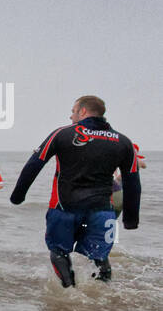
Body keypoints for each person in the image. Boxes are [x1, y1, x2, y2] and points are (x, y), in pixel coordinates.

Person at [9, 95, 140, 286]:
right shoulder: (123, 142)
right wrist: (131, 219)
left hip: (64, 209)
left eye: (73, 111)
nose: (71, 116)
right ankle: (103, 302)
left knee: (59, 251)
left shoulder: (62, 134)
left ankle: (70, 294)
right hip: (102, 212)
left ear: (83, 111)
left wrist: (17, 196)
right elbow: (133, 182)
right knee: (100, 256)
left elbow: (34, 164)